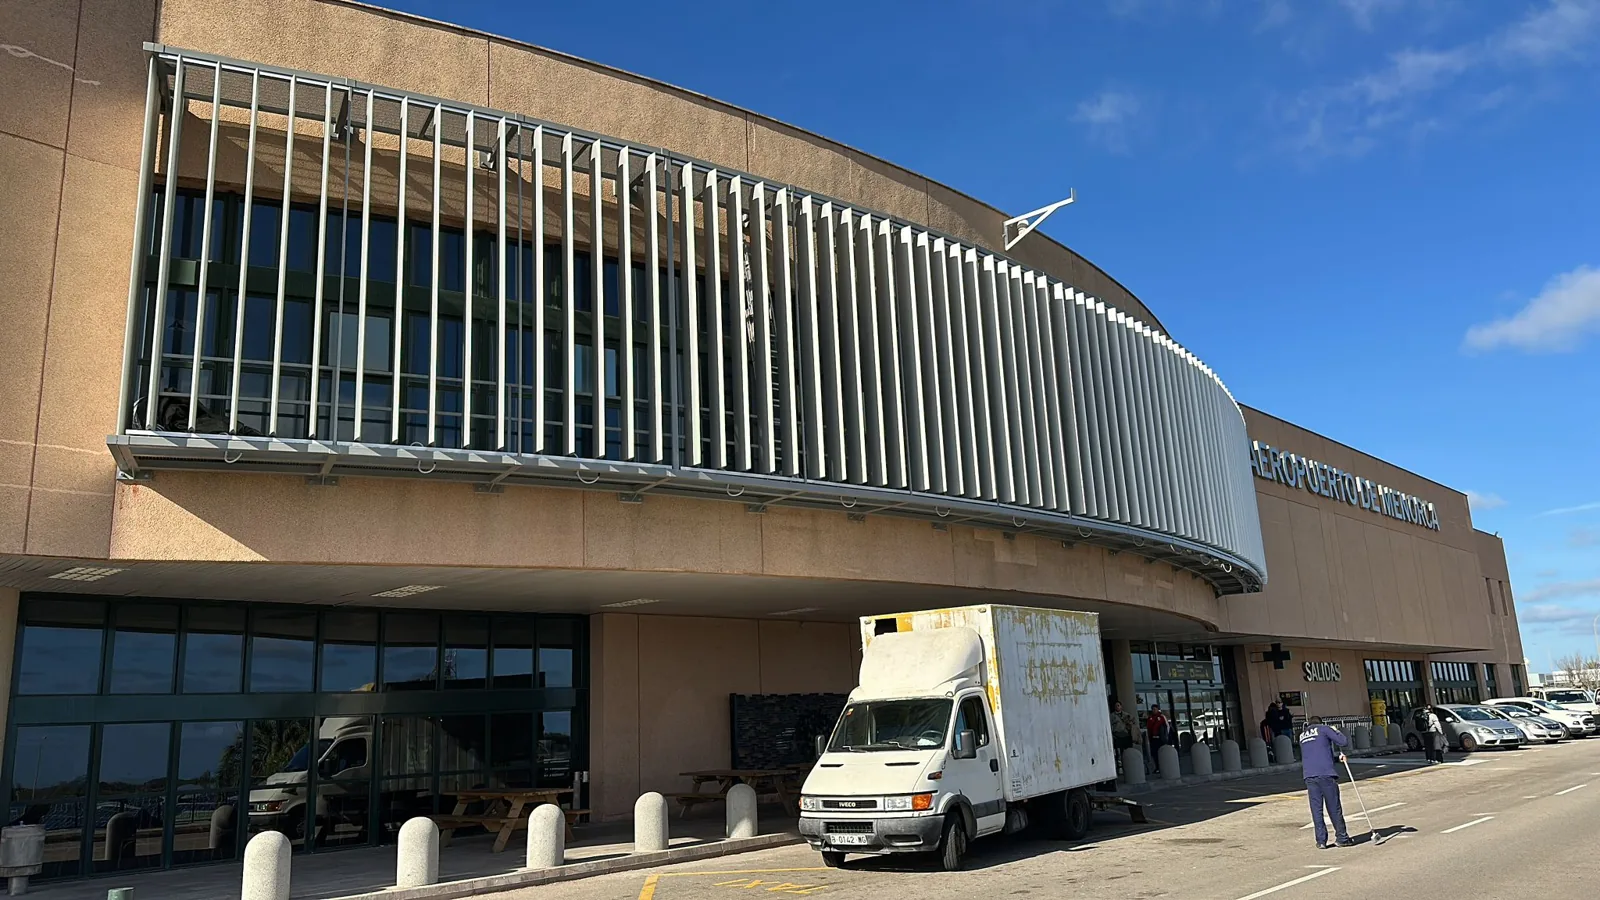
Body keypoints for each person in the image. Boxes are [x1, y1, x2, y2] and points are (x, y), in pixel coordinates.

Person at [1299, 716, 1355, 849]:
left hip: (1309, 775)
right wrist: (1335, 730)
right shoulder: (1324, 729)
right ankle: (1342, 837)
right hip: (1325, 773)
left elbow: (1316, 752)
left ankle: (1321, 840)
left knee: (1316, 809)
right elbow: (1343, 741)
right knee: (1334, 807)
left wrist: (1336, 757)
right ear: (1320, 723)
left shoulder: (1302, 736)